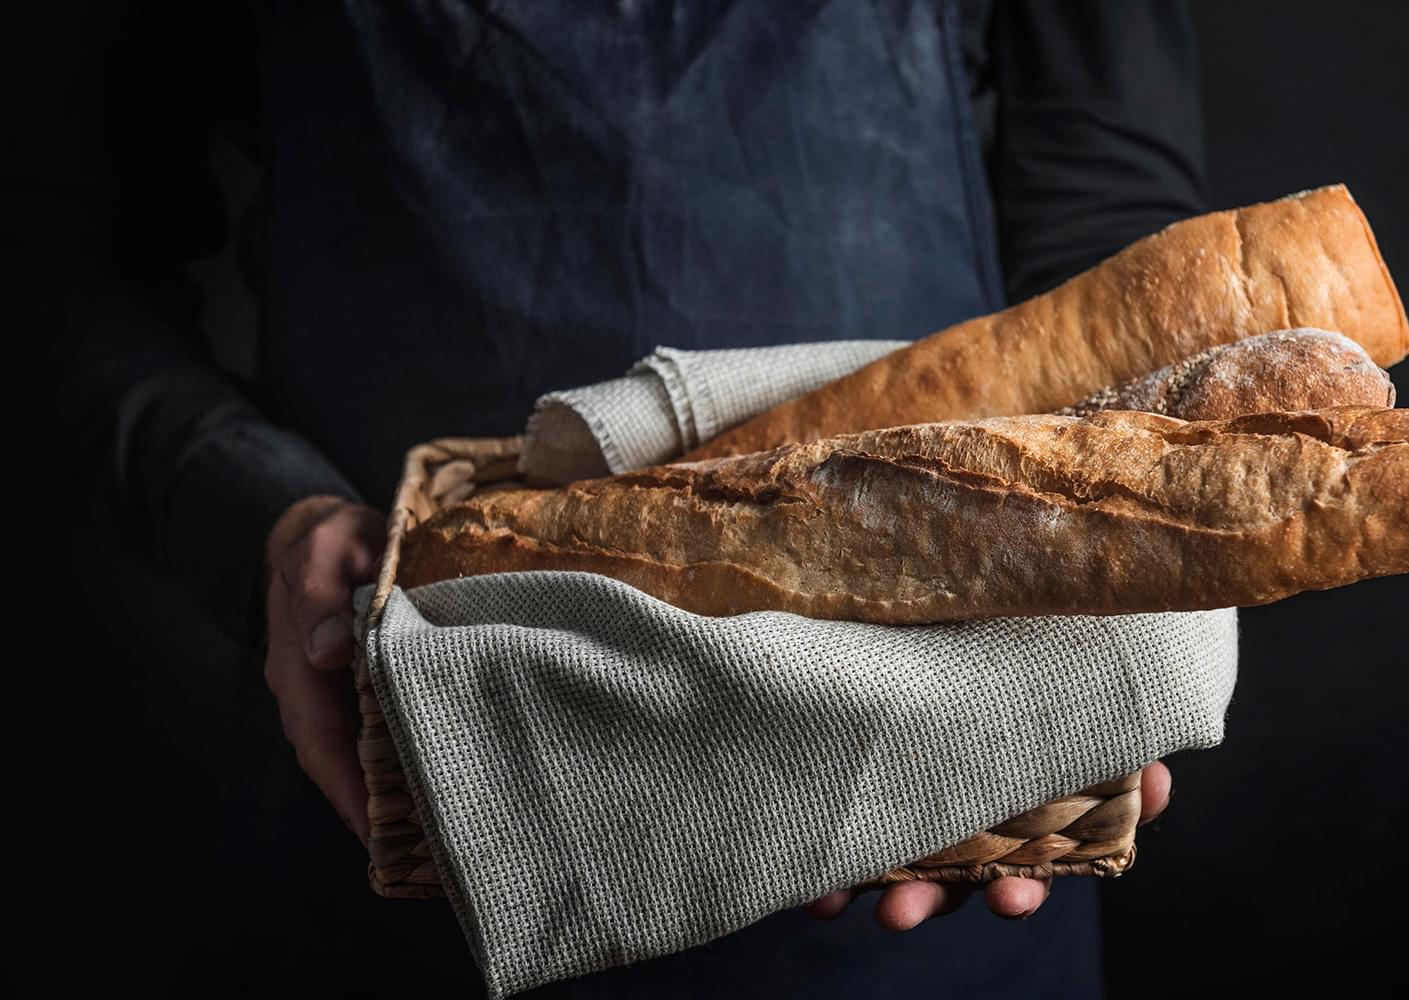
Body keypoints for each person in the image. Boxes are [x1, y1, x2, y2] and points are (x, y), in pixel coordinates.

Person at [32, 1, 1206, 994]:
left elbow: (1103, 209)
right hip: (405, 761)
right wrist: (266, 525)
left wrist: (1092, 587)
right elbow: (48, 245)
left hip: (935, 814)